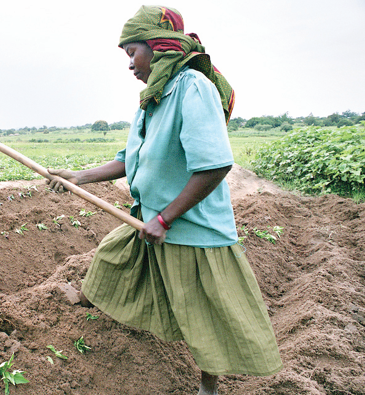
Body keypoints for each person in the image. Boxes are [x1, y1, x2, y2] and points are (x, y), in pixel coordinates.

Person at [47, 6, 282, 395]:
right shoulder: (154, 97)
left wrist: (167, 219)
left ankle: (209, 385)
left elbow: (214, 166)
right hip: (150, 217)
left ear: (158, 47)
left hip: (191, 228)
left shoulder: (192, 87)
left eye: (132, 53)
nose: (130, 65)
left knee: (205, 315)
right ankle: (87, 309)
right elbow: (129, 159)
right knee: (110, 256)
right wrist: (80, 176)